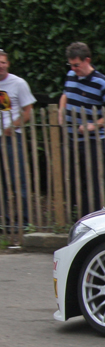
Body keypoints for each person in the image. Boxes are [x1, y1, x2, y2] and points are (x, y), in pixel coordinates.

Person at [58, 42, 105, 218]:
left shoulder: (101, 82)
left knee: (92, 183)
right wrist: (61, 111)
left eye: (76, 65)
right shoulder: (71, 75)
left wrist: (94, 125)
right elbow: (65, 94)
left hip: (93, 143)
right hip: (71, 140)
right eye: (71, 65)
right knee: (72, 180)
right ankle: (75, 217)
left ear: (87, 60)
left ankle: (91, 218)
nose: (73, 69)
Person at [0, 49, 37, 228]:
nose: (0, 66)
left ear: (8, 64)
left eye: (3, 62)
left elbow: (28, 110)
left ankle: (24, 219)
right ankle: (5, 220)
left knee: (18, 178)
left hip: (12, 138)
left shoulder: (18, 83)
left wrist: (13, 127)